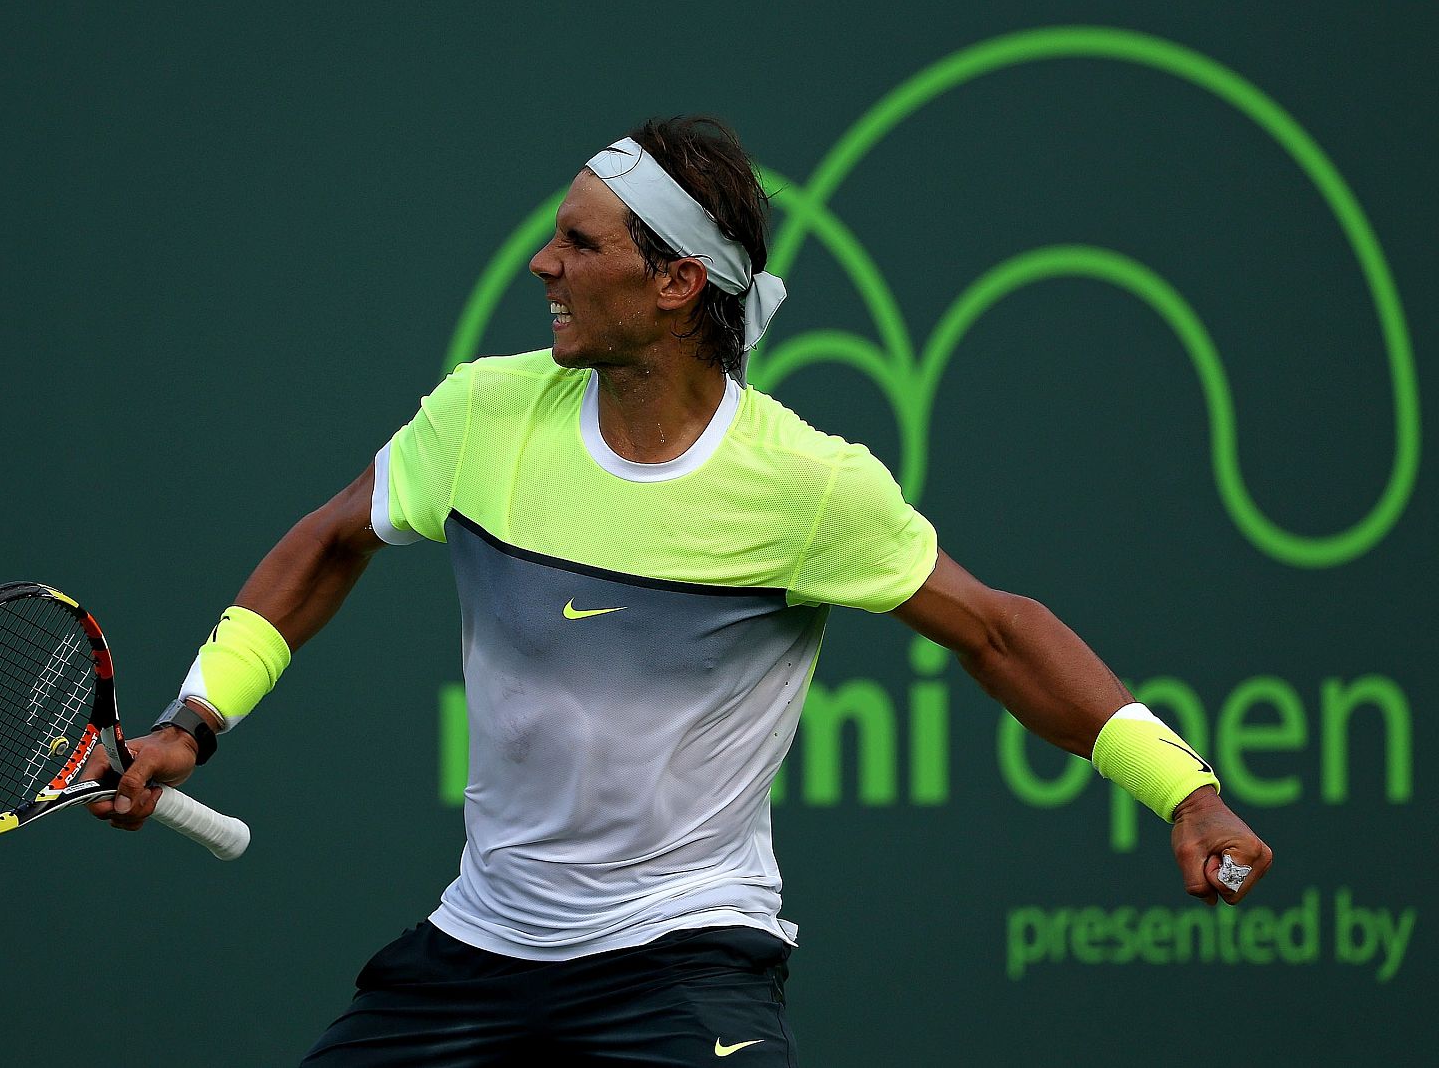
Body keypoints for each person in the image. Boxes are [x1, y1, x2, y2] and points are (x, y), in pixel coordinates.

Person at [87, 116, 1273, 1066]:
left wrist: (1183, 792)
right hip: (478, 945)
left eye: (581, 243)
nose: (544, 264)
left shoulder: (806, 486)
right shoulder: (482, 415)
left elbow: (1000, 634)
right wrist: (195, 722)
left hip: (685, 956)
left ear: (674, 283)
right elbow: (327, 543)